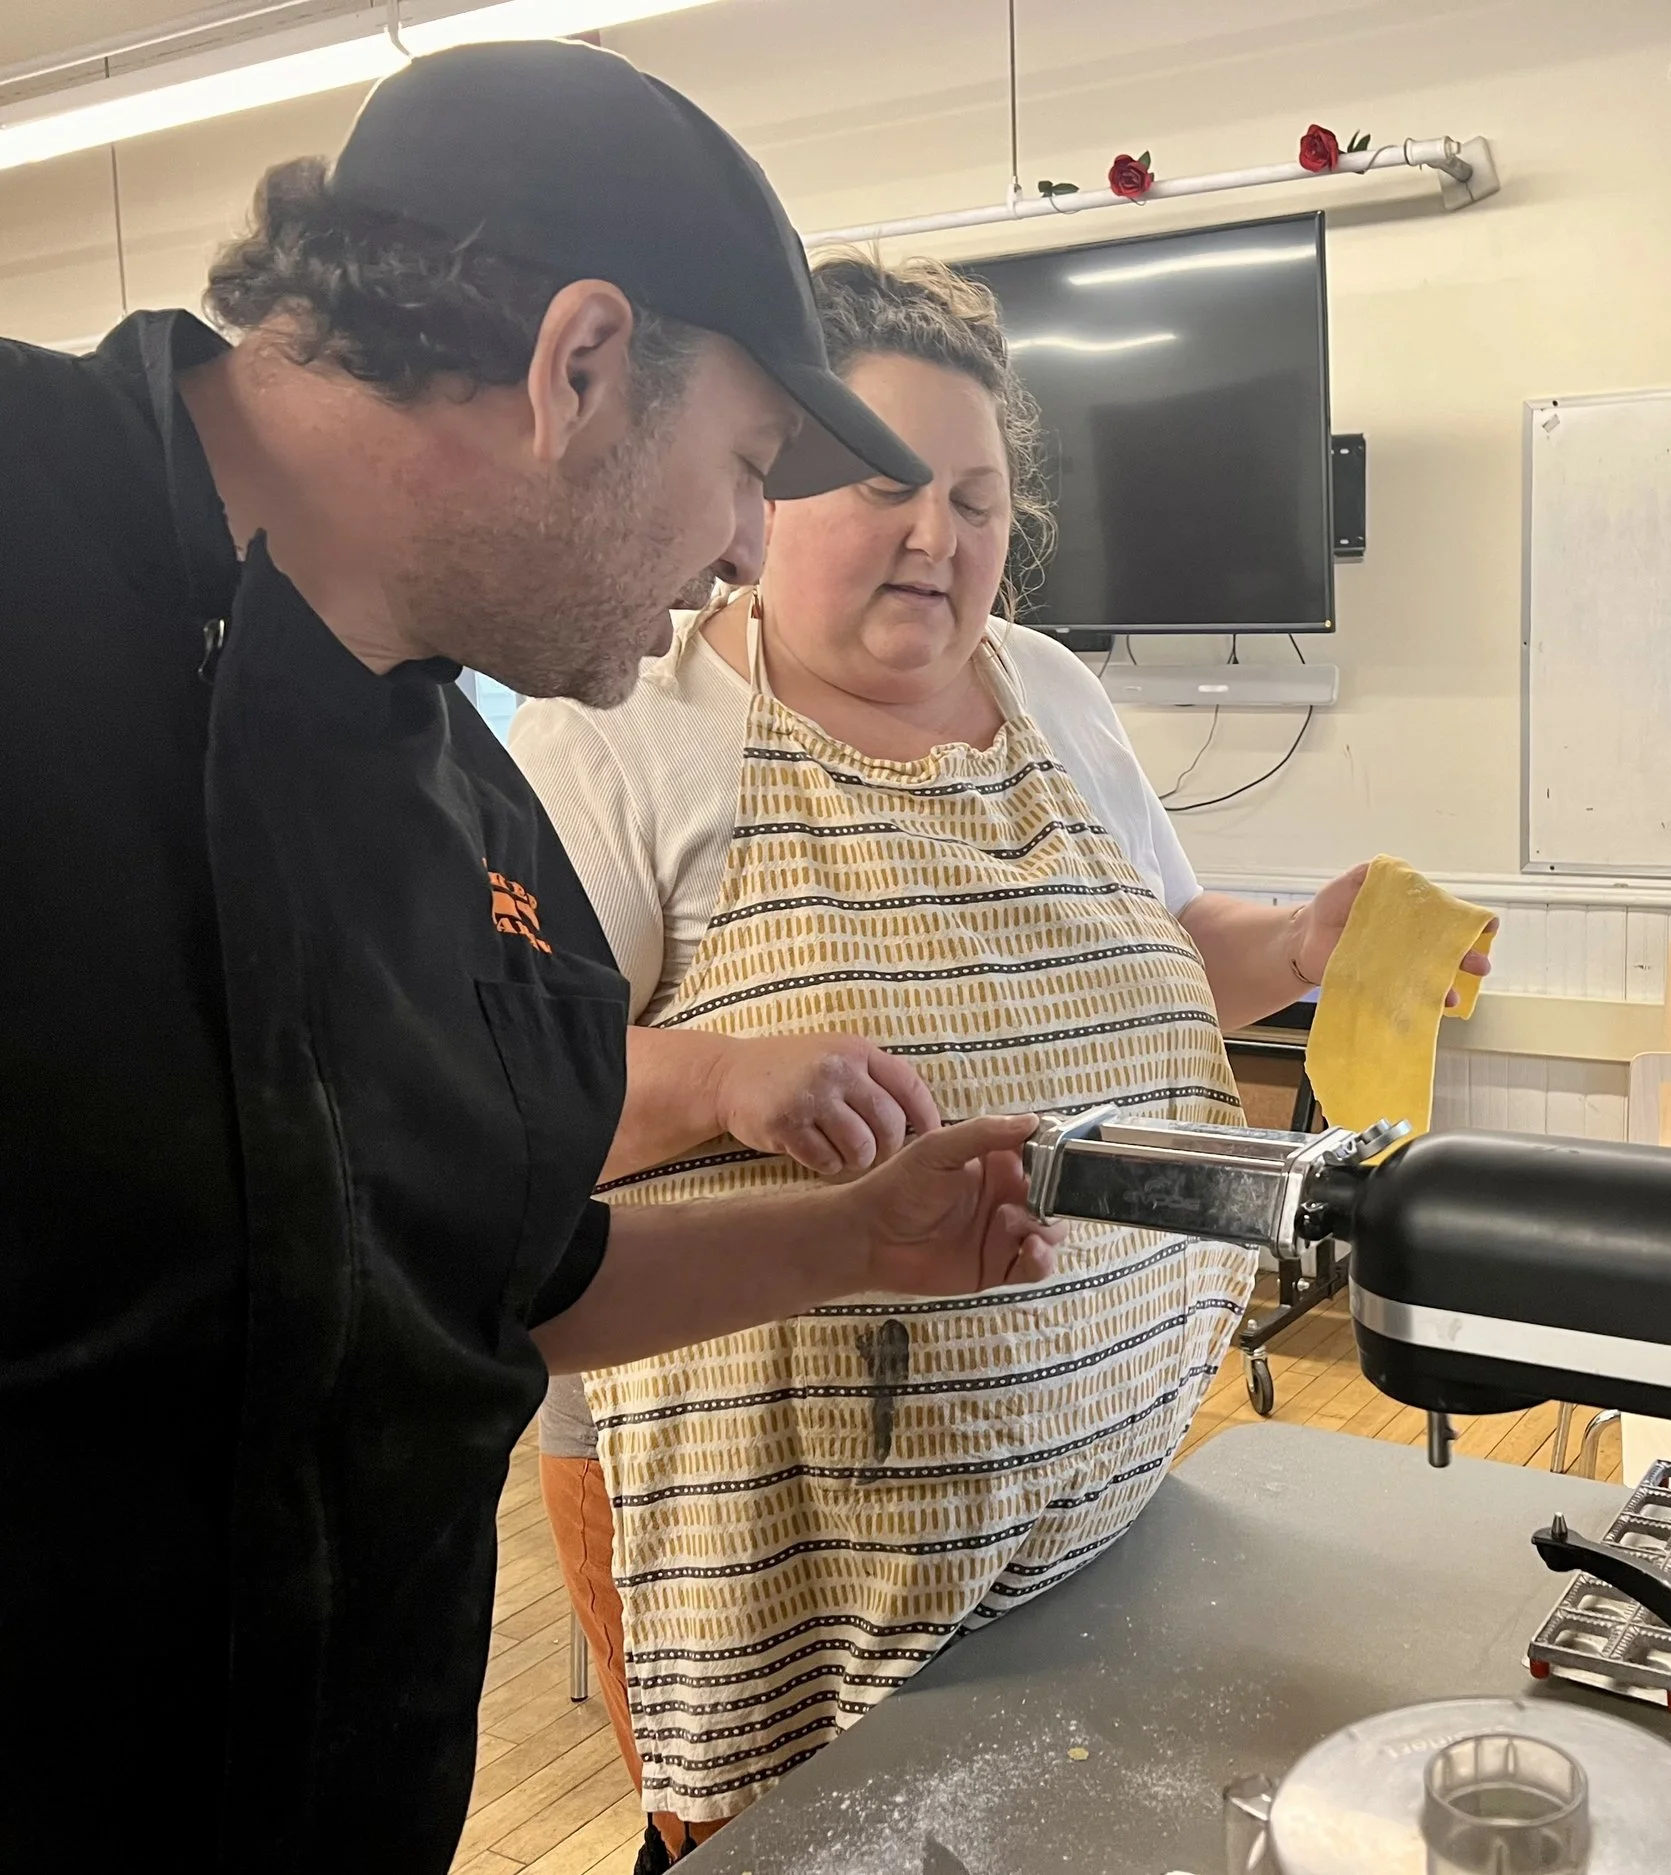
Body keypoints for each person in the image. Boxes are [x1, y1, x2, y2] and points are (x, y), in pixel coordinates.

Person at [0, 46, 1066, 1875]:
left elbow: (494, 1271)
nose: (743, 551)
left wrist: (851, 1239)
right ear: (578, 368)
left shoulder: (464, 807)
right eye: (749, 469)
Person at [511, 253, 1491, 1854]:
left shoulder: (1050, 690)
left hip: (1097, 1507)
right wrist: (724, 1077)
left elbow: (1158, 945)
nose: (938, 536)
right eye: (883, 486)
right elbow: (505, 1092)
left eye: (976, 500)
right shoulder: (628, 732)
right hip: (786, 1555)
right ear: (763, 493)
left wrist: (1301, 945)